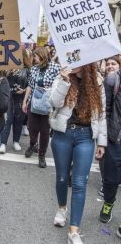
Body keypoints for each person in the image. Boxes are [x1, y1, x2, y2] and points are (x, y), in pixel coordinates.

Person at [49, 64, 106, 244]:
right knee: (62, 178)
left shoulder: (97, 81)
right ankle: (62, 208)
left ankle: (74, 231)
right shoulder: (62, 76)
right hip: (62, 134)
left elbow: (102, 114)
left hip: (85, 136)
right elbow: (53, 103)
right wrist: (65, 81)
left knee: (80, 183)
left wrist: (102, 142)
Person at [22, 47, 61, 168]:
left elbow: (59, 84)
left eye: (35, 56)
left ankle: (41, 155)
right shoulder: (34, 68)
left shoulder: (55, 67)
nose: (34, 59)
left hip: (47, 104)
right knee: (32, 128)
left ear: (42, 56)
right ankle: (33, 143)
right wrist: (25, 102)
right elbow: (30, 86)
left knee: (44, 131)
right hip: (34, 103)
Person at [98, 69, 121, 236]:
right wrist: (103, 140)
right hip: (115, 138)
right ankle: (108, 202)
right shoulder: (112, 80)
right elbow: (104, 111)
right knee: (111, 179)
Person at [0, 49, 31, 153]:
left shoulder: (27, 69)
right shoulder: (7, 67)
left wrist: (24, 90)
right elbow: (1, 80)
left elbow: (31, 85)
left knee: (19, 120)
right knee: (7, 120)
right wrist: (8, 72)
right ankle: (3, 143)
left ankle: (16, 141)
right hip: (8, 97)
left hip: (21, 98)